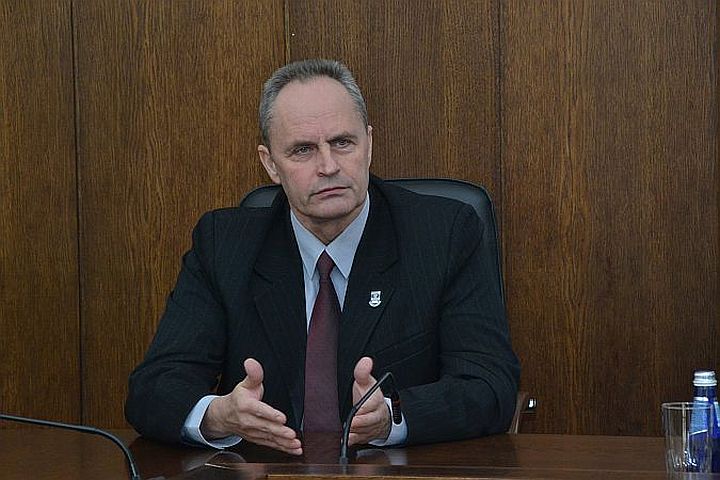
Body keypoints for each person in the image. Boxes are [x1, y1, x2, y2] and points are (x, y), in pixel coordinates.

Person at [125, 59, 520, 455]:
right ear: (270, 164)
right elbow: (153, 388)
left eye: (342, 142)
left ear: (368, 144)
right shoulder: (224, 246)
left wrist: (393, 415)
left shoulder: (443, 235)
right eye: (303, 150)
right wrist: (219, 416)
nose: (328, 166)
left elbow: (490, 385)